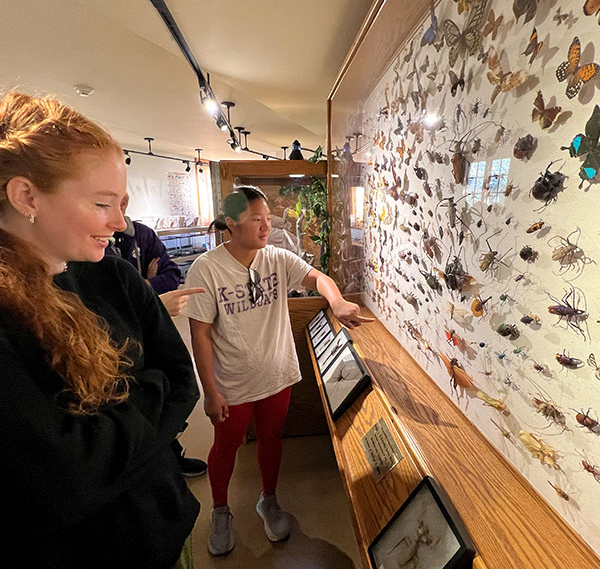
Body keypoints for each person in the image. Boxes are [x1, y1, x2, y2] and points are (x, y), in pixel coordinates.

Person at [0, 92, 201, 569]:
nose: (119, 222)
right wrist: (150, 387)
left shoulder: (113, 275)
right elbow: (66, 478)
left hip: (163, 526)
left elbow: (183, 382)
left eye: (120, 204)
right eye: (101, 203)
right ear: (27, 196)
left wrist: (108, 442)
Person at [182, 185, 373, 556]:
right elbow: (200, 334)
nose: (266, 227)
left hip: (277, 375)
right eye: (257, 220)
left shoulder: (276, 258)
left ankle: (267, 499)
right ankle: (220, 510)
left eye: (268, 219)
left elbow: (318, 278)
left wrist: (337, 302)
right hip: (232, 383)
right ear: (231, 223)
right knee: (226, 447)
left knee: (272, 438)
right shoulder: (206, 269)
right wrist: (211, 391)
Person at [106, 194, 208, 476]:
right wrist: (147, 292)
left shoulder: (142, 235)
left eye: (122, 202)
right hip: (115, 352)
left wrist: (143, 286)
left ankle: (171, 456)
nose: (117, 215)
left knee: (157, 400)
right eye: (102, 202)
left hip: (142, 340)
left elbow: (171, 274)